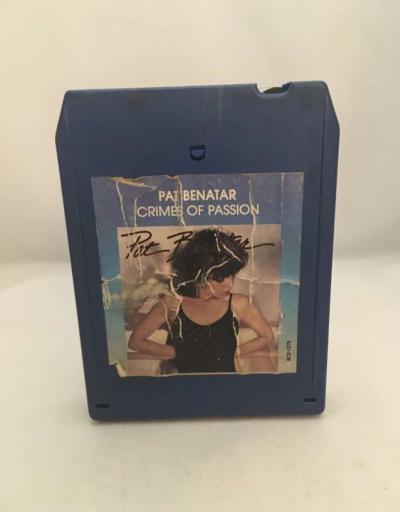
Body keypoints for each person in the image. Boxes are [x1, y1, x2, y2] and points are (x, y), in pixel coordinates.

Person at [128, 228, 277, 373]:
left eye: (232, 275)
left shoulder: (239, 304)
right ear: (199, 277)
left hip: (226, 384)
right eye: (220, 278)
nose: (230, 284)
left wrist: (233, 352)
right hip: (183, 384)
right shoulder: (171, 304)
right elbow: (135, 341)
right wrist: (177, 352)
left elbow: (267, 337)